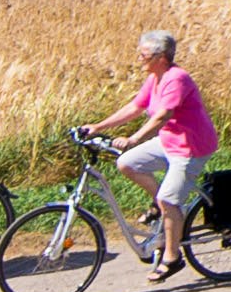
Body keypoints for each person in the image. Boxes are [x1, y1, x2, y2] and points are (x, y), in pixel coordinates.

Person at [88, 28, 216, 275]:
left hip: (190, 147)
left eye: (144, 56)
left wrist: (134, 138)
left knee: (169, 200)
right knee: (127, 163)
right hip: (169, 141)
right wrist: (98, 126)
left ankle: (172, 257)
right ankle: (164, 208)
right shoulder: (154, 78)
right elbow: (136, 106)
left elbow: (163, 114)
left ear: (162, 58)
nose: (139, 60)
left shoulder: (177, 79)